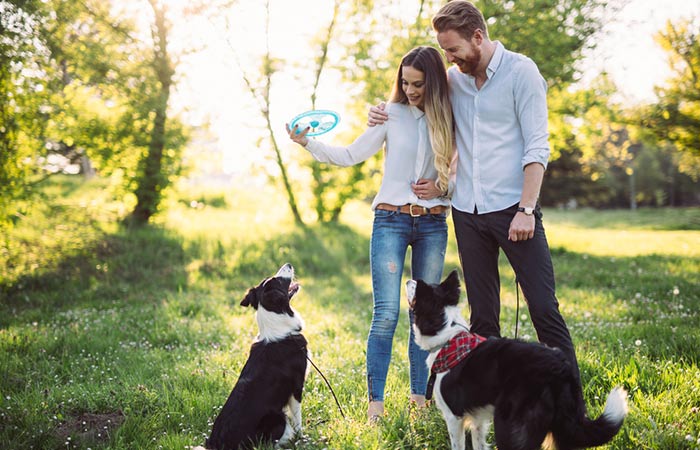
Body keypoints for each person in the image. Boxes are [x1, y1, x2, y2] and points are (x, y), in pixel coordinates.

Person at [368, 0, 581, 385]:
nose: (449, 58)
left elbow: (537, 148)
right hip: (467, 213)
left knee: (543, 308)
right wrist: (381, 112)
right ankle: (491, 404)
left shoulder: (522, 73)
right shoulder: (453, 80)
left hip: (515, 210)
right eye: (445, 51)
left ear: (478, 37)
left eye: (453, 49)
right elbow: (418, 109)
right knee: (483, 317)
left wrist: (527, 209)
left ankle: (570, 401)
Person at [286, 46, 454, 421]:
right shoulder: (389, 114)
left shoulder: (452, 116)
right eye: (405, 83)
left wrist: (442, 189)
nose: (410, 91)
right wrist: (306, 142)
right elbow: (349, 155)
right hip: (390, 221)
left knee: (423, 314)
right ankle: (375, 405)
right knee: (386, 314)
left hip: (432, 223)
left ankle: (419, 402)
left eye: (418, 85)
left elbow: (463, 173)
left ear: (436, 83)